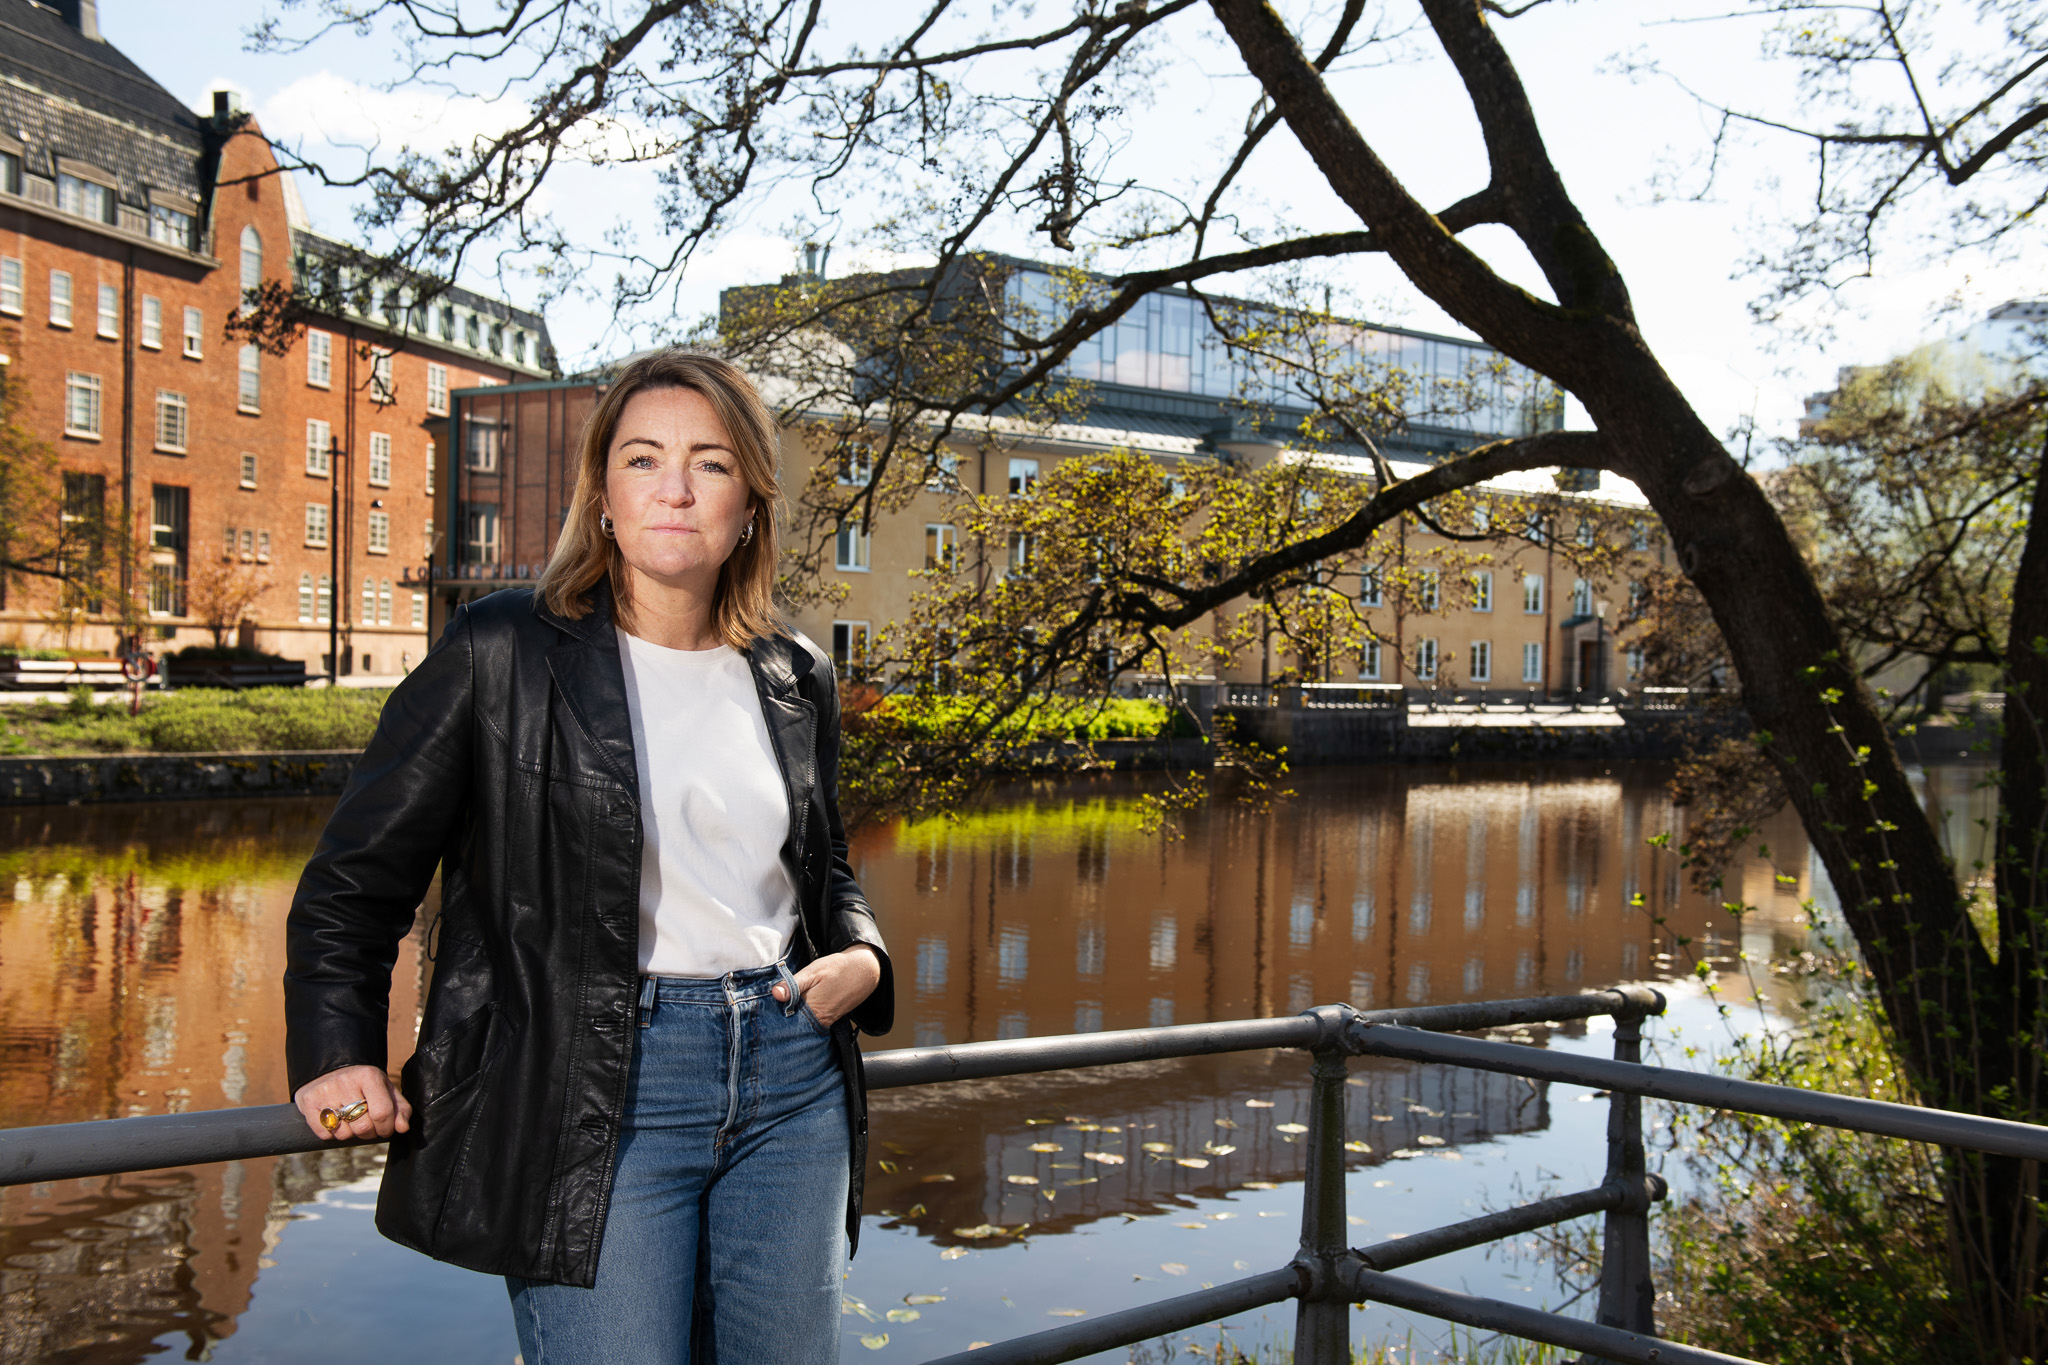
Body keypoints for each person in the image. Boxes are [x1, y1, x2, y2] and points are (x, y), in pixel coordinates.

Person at [283, 349, 893, 1363]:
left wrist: (864, 960)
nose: (673, 489)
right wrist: (336, 1048)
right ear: (601, 493)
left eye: (709, 463)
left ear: (749, 500)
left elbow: (822, 867)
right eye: (643, 459)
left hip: (790, 1074)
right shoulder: (502, 650)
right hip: (596, 1086)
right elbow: (356, 876)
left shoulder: (795, 674)